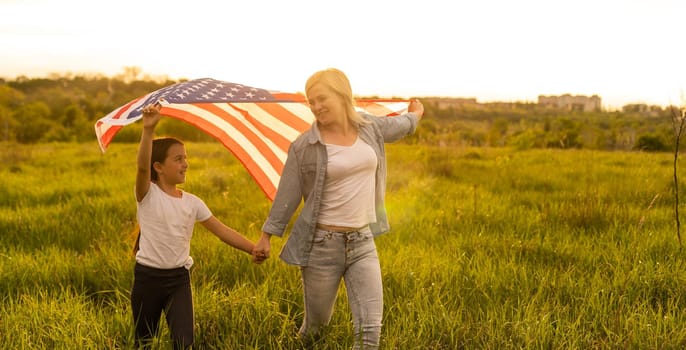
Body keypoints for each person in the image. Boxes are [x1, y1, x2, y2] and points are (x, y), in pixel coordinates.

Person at [253, 68, 424, 349]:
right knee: (315, 332)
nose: (317, 107)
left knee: (369, 332)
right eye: (311, 101)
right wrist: (266, 236)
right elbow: (287, 195)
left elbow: (400, 127)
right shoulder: (304, 145)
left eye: (322, 98)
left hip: (362, 243)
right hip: (321, 247)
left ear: (342, 94)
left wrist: (416, 115)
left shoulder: (370, 128)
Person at [131, 104, 258, 349]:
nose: (186, 164)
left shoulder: (192, 202)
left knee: (184, 341)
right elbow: (141, 167)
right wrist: (148, 130)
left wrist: (253, 249)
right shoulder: (147, 194)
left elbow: (222, 231)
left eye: (186, 158)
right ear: (158, 167)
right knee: (144, 341)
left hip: (179, 279)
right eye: (178, 159)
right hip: (148, 278)